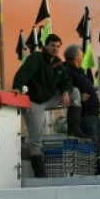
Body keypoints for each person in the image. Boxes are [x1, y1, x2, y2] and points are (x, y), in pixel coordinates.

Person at [12, 33, 79, 177]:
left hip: (49, 98)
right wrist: (17, 87)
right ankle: (39, 173)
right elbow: (23, 73)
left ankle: (74, 129)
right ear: (45, 46)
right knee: (36, 138)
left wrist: (66, 91)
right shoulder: (36, 58)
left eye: (58, 47)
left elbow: (66, 80)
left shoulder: (58, 63)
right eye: (53, 46)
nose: (55, 49)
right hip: (34, 102)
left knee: (75, 92)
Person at [62, 45, 100, 174]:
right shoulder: (68, 71)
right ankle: (95, 175)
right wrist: (80, 97)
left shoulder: (79, 71)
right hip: (86, 115)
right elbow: (67, 88)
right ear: (76, 57)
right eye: (81, 56)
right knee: (93, 146)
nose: (83, 58)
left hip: (95, 114)